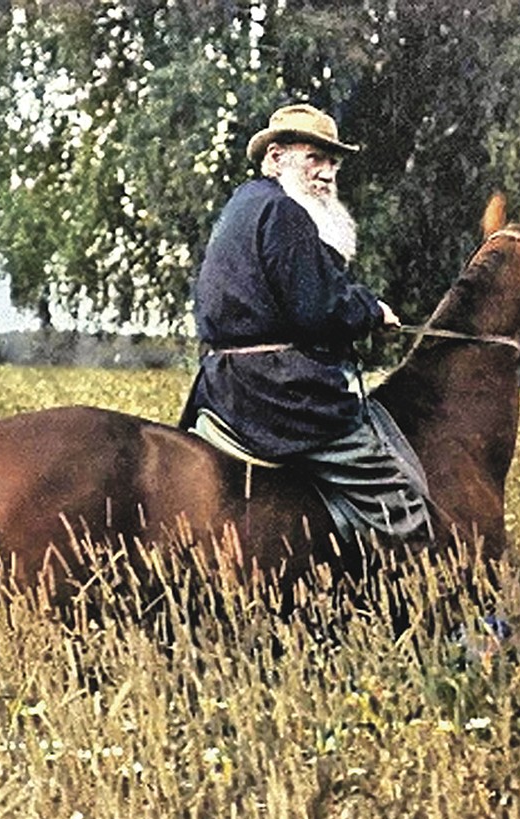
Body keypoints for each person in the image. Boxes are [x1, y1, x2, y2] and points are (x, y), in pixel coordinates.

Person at [179, 103, 433, 558]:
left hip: (223, 387)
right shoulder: (285, 213)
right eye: (314, 157)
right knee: (396, 494)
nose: (327, 173)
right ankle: (434, 610)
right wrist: (371, 312)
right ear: (276, 157)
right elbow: (316, 310)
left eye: (333, 162)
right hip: (279, 393)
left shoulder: (242, 206)